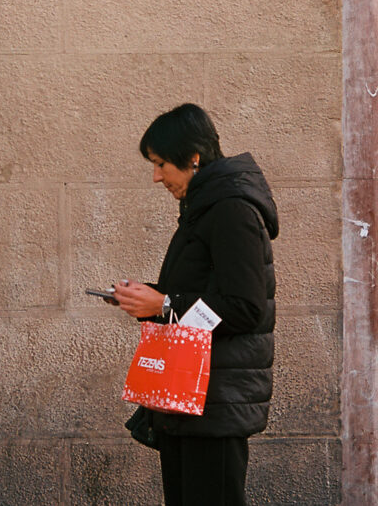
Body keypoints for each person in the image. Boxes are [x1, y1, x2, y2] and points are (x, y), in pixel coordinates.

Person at [110, 103, 278, 506]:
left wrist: (165, 304)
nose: (156, 177)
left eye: (161, 164)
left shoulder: (231, 210)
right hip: (190, 398)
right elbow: (204, 293)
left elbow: (244, 307)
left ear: (194, 158)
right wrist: (149, 298)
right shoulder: (204, 209)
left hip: (215, 404)